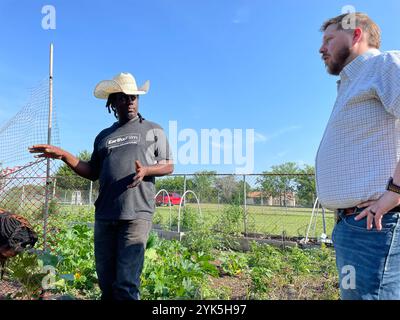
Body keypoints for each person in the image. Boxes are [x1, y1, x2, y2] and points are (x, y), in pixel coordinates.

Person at [29, 72, 174, 300]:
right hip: (105, 214)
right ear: (112, 102)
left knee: (126, 285)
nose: (130, 102)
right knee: (106, 283)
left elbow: (168, 166)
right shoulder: (103, 136)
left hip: (136, 215)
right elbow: (92, 172)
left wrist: (146, 170)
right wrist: (64, 155)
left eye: (134, 97)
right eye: (123, 98)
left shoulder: (153, 129)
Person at [316, 12, 400, 300]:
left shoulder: (382, 65)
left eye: (329, 39)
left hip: (374, 226)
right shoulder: (352, 83)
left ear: (355, 34)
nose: (321, 48)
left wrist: (396, 191)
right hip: (355, 225)